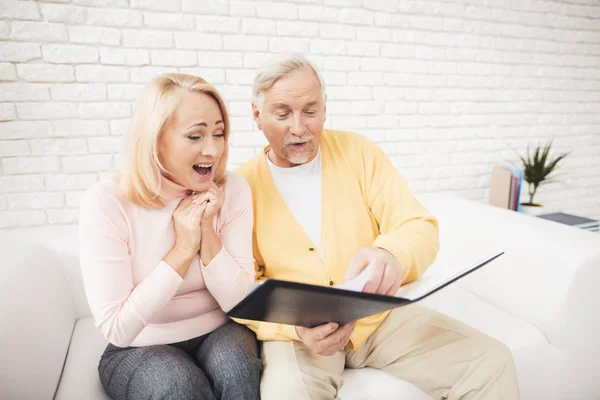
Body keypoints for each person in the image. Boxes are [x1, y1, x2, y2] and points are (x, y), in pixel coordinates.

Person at [235, 53, 520, 400]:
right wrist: (294, 327)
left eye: (310, 110)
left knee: (491, 363)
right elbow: (240, 286)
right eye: (282, 114)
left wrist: (391, 253)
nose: (299, 126)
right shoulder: (240, 187)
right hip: (299, 334)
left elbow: (417, 224)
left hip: (376, 317)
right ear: (256, 115)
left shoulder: (358, 151)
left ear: (324, 108)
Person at [78, 73, 261, 400]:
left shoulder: (232, 190)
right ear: (155, 138)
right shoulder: (106, 202)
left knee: (239, 374)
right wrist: (183, 248)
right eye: (195, 136)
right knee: (180, 388)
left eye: (219, 133)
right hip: (139, 345)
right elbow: (118, 328)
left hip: (219, 329)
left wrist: (206, 230)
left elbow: (241, 303)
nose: (212, 149)